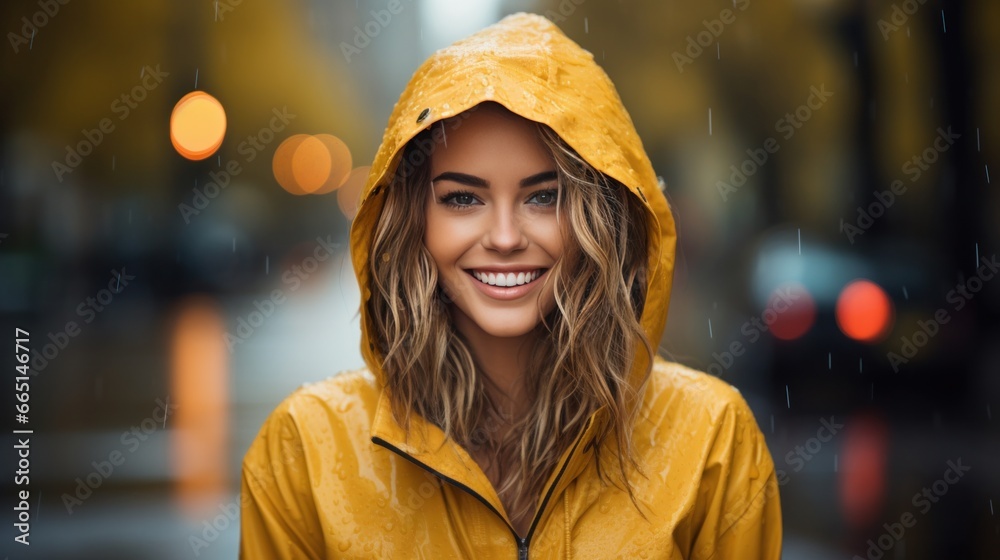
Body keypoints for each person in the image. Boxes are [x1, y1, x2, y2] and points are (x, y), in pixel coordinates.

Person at [240, 12, 782, 559]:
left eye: (544, 196)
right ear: (413, 221)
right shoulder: (303, 451)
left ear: (601, 216)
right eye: (462, 198)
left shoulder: (711, 438)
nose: (503, 237)